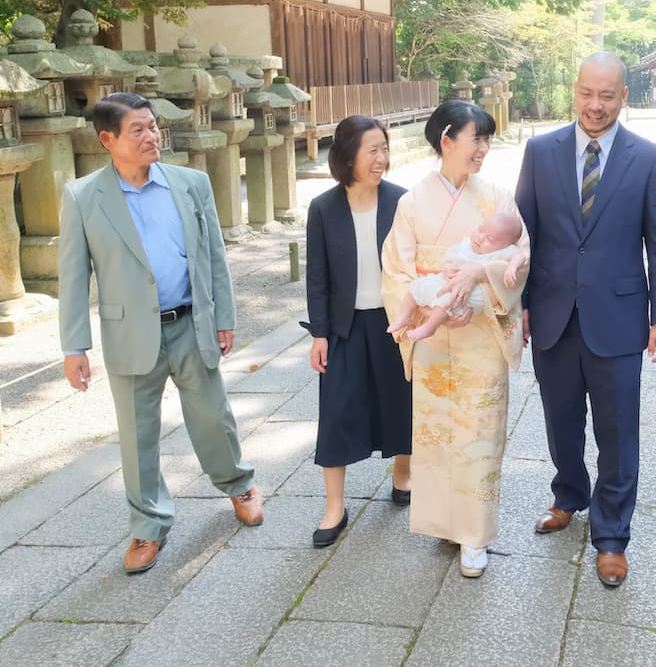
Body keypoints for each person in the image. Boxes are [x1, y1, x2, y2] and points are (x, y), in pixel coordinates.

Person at [59, 92, 262, 575]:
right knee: (137, 434)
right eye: (139, 130)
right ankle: (148, 526)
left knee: (214, 415)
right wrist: (74, 346)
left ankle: (239, 485)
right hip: (130, 332)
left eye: (153, 127)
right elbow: (72, 275)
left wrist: (224, 318)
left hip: (192, 322)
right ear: (108, 139)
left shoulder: (191, 183)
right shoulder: (83, 197)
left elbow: (213, 255)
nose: (152, 136)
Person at [515, 51, 656, 587]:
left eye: (607, 95)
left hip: (619, 315)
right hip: (553, 312)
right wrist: (518, 305)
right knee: (560, 420)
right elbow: (523, 235)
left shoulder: (648, 159)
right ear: (574, 90)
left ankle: (612, 535)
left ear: (624, 97)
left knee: (617, 430)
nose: (595, 105)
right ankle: (568, 495)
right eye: (587, 93)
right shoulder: (540, 152)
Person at [381, 100, 529, 579]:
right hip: (432, 327)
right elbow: (397, 271)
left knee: (479, 435)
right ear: (447, 140)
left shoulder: (498, 199)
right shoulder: (411, 202)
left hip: (481, 333)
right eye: (475, 139)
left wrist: (478, 278)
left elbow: (520, 260)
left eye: (486, 139)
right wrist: (430, 308)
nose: (483, 149)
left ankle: (475, 535)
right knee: (437, 435)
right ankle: (445, 522)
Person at [302, 116, 411, 548]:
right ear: (348, 156)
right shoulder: (324, 207)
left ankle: (403, 475)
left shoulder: (402, 201)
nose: (381, 158)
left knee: (402, 402)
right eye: (372, 150)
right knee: (337, 413)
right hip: (345, 327)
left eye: (384, 148)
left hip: (393, 323)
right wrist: (320, 333)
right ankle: (335, 506)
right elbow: (317, 277)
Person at [387, 211, 527, 341]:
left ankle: (430, 327)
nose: (480, 238)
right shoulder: (467, 244)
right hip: (444, 281)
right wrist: (447, 268)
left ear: (506, 246)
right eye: (480, 230)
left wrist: (512, 267)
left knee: (449, 299)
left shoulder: (503, 250)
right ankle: (404, 316)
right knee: (416, 286)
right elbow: (448, 260)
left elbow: (520, 256)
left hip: (473, 297)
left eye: (490, 239)